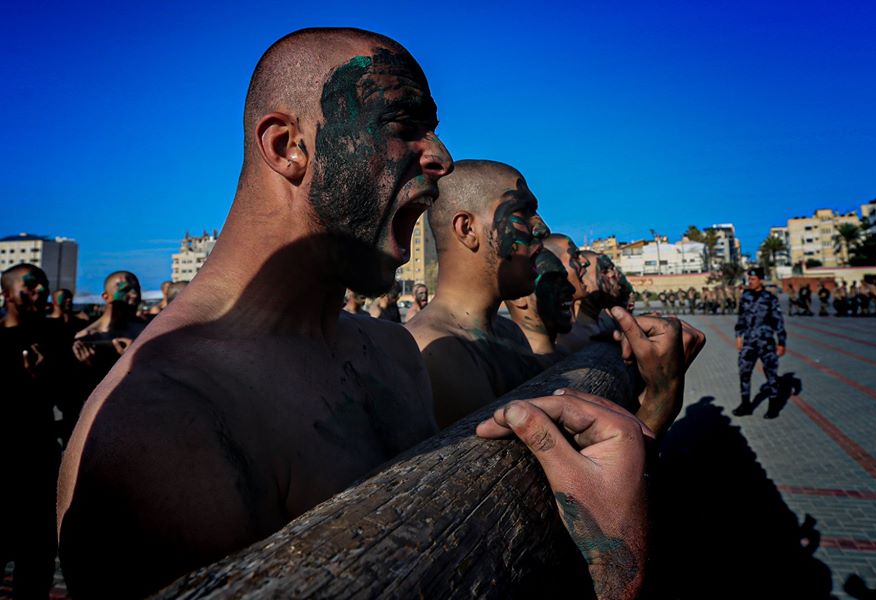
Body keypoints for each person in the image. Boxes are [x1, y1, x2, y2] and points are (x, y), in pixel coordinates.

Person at [58, 30, 691, 599]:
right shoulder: (165, 424)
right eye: (403, 123)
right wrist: (613, 569)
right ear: (288, 147)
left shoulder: (388, 353)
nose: (440, 156)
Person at [405, 159, 550, 427]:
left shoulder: (510, 332)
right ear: (467, 229)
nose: (542, 228)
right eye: (522, 212)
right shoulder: (436, 350)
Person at [1, 264, 68, 599]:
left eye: (43, 287)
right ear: (6, 294)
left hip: (40, 461)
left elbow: (68, 396)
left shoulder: (55, 338)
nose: (39, 293)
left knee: (36, 562)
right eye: (29, 287)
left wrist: (45, 380)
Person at [505, 248, 576, 363]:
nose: (571, 289)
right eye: (553, 280)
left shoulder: (565, 355)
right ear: (518, 297)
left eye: (564, 279)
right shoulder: (520, 371)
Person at [733, 268, 786, 418]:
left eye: (753, 279)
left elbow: (778, 320)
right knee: (744, 372)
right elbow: (741, 318)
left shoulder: (769, 298)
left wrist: (781, 342)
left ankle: (773, 407)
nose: (750, 282)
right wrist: (738, 336)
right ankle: (746, 405)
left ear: (761, 280)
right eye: (749, 279)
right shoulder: (745, 296)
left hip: (766, 342)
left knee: (771, 374)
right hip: (749, 341)